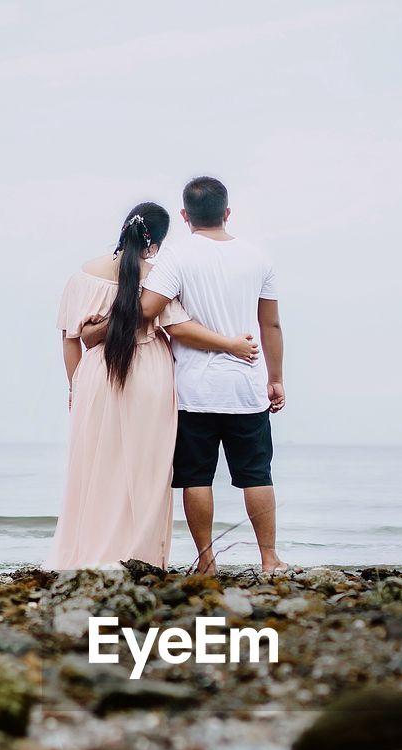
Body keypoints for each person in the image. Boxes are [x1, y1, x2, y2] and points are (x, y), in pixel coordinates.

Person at [46, 202, 259, 570]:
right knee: (147, 470)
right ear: (157, 241)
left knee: (95, 465)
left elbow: (71, 338)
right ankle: (139, 556)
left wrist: (75, 386)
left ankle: (87, 552)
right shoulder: (158, 277)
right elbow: (178, 328)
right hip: (151, 377)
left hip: (98, 376)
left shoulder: (84, 274)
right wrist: (232, 345)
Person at [140, 176, 287, 574]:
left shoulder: (176, 256)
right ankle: (270, 559)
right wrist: (276, 378)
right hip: (246, 385)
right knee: (256, 475)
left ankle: (206, 562)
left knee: (196, 477)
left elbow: (149, 308)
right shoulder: (258, 258)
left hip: (193, 390)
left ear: (185, 215)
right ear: (227, 212)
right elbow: (270, 325)